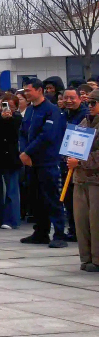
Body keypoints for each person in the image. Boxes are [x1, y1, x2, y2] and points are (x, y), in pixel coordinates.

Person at [19, 78, 69, 248]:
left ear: (39, 90)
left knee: (52, 198)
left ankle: (59, 234)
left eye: (29, 90)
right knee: (36, 198)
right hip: (31, 162)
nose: (26, 94)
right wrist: (23, 152)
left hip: (48, 161)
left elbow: (47, 136)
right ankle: (41, 232)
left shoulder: (51, 110)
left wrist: (28, 152)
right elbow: (22, 132)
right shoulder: (30, 110)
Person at [66, 88, 99, 272]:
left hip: (96, 181)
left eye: (94, 103)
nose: (90, 106)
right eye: (88, 103)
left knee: (96, 223)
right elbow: (72, 145)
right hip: (80, 179)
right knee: (81, 222)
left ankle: (97, 259)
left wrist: (80, 161)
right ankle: (86, 257)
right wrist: (69, 156)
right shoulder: (84, 122)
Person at [0, 93, 23, 229]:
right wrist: (1, 119)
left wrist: (9, 119)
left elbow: (15, 135)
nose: (6, 108)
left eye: (10, 106)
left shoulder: (17, 118)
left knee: (12, 190)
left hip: (11, 157)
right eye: (3, 105)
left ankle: (12, 219)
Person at [60, 87, 91, 240]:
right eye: (66, 98)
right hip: (64, 160)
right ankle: (73, 229)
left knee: (79, 200)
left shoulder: (85, 116)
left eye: (72, 98)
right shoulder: (63, 114)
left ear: (80, 98)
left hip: (79, 162)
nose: (68, 101)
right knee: (68, 199)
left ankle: (81, 231)